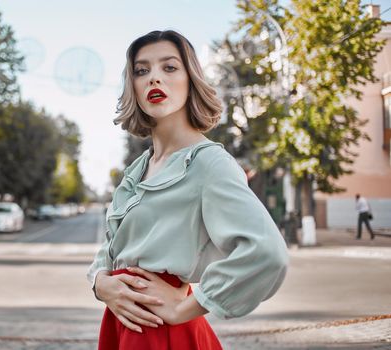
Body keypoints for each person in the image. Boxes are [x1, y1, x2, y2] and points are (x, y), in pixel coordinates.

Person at [87, 30, 289, 350]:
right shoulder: (140, 168)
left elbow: (266, 253)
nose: (154, 78)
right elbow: (112, 246)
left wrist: (188, 308)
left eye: (169, 68)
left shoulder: (209, 163)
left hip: (162, 330)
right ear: (133, 86)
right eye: (142, 70)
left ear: (190, 80)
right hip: (121, 325)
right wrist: (100, 283)